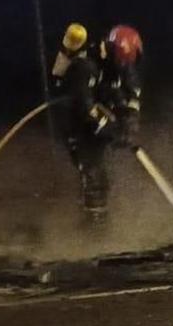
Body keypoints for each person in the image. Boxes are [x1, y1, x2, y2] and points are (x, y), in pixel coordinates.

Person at [56, 24, 145, 226]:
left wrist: (130, 119)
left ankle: (96, 220)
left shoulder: (119, 64)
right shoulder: (85, 66)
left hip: (97, 116)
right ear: (112, 52)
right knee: (93, 174)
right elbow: (84, 107)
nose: (124, 67)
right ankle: (93, 230)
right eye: (122, 62)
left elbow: (132, 91)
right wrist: (110, 130)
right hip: (76, 124)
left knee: (101, 179)